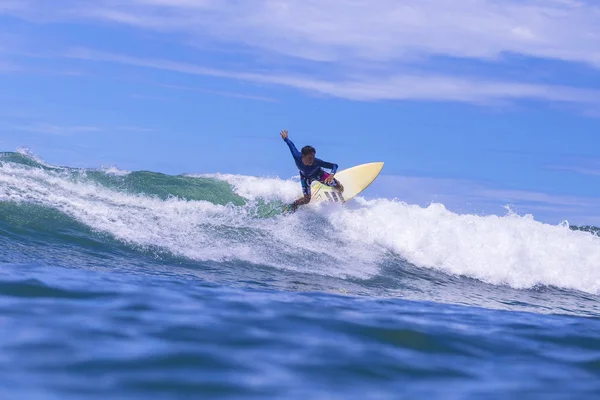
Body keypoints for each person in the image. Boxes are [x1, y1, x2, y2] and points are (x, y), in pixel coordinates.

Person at [280, 129, 344, 212]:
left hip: (319, 174)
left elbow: (334, 165)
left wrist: (331, 175)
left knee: (338, 186)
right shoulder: (297, 156)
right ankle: (294, 204)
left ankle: (341, 193)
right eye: (309, 158)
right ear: (303, 156)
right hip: (305, 177)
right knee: (307, 200)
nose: (312, 160)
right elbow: (291, 145)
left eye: (313, 157)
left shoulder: (316, 162)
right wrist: (286, 139)